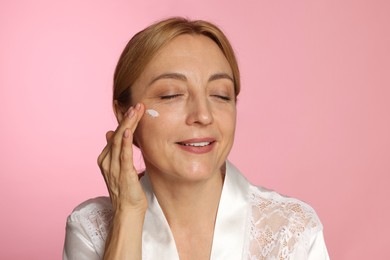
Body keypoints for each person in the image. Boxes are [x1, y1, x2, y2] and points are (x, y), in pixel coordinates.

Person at [63, 17, 330, 260]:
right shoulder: (91, 227)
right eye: (170, 94)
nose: (203, 115)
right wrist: (128, 216)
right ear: (124, 114)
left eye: (221, 94)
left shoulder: (291, 230)